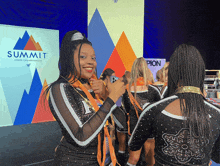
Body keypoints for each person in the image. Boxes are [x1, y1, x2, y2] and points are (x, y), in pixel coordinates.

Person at [128, 44, 220, 165]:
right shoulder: (216, 114)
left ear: (173, 73)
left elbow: (134, 146)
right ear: (200, 72)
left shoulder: (154, 110)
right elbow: (216, 157)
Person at [45, 30, 127, 166]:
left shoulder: (96, 86)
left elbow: (122, 124)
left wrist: (106, 95)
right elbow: (81, 137)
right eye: (83, 57)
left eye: (93, 58)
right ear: (69, 59)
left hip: (106, 161)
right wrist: (111, 98)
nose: (90, 62)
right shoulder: (61, 88)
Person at [123, 57, 161, 166]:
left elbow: (126, 110)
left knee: (133, 159)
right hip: (150, 128)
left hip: (134, 127)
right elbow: (159, 109)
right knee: (150, 160)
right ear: (146, 69)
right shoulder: (153, 90)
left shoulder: (127, 90)